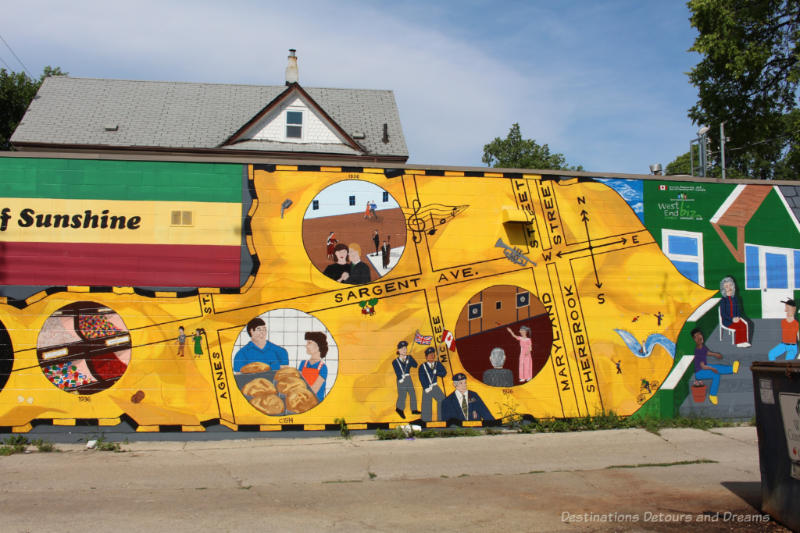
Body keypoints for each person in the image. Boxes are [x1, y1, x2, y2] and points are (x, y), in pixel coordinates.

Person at [691, 327, 739, 405]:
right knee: (716, 375)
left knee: (717, 366)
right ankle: (712, 395)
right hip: (699, 373)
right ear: (694, 339)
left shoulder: (702, 347)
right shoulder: (698, 350)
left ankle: (732, 369)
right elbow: (703, 366)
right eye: (697, 336)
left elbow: (707, 352)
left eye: (700, 334)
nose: (700, 336)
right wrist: (712, 369)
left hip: (704, 368)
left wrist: (715, 354)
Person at [719, 276, 751, 347]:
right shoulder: (723, 300)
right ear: (723, 289)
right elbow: (723, 314)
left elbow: (738, 310)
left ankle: (744, 341)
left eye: (730, 285)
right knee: (739, 326)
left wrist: (738, 317)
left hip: (735, 318)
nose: (729, 287)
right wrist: (732, 319)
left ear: (733, 286)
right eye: (726, 286)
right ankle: (739, 343)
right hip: (727, 321)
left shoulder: (735, 298)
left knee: (743, 324)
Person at [418, 346, 446, 422]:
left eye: (433, 355)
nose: (432, 356)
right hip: (427, 388)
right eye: (430, 355)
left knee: (442, 400)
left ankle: (441, 419)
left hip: (435, 386)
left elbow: (444, 373)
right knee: (426, 404)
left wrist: (437, 372)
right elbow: (421, 378)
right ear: (426, 357)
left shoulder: (437, 364)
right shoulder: (422, 366)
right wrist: (426, 387)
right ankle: (426, 421)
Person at [299, 331, 329, 402]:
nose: (306, 346)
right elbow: (298, 382)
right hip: (302, 400)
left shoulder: (323, 367)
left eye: (309, 343)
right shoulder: (303, 363)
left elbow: (314, 390)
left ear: (318, 346)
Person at [393, 340, 419, 419]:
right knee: (402, 395)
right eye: (403, 349)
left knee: (412, 393)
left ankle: (414, 409)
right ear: (399, 350)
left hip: (408, 377)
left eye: (405, 348)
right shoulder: (395, 361)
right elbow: (397, 371)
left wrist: (410, 360)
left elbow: (415, 365)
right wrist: (400, 378)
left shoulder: (409, 357)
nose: (405, 350)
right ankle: (399, 409)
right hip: (401, 379)